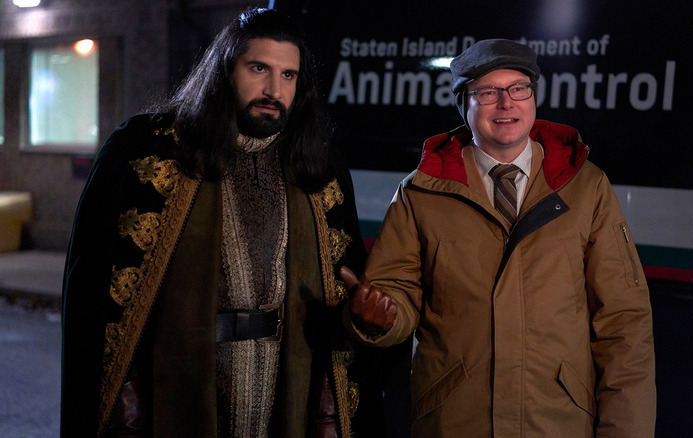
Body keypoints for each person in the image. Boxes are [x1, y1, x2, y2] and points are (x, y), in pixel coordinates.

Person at [61, 8, 387, 438]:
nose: (274, 90)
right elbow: (95, 296)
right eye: (259, 68)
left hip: (284, 386)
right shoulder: (147, 152)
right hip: (180, 385)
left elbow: (341, 298)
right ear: (226, 69)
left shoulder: (319, 168)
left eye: (288, 75)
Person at [340, 39, 656, 437]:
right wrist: (382, 317)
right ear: (464, 105)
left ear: (533, 97)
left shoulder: (585, 186)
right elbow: (395, 292)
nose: (506, 103)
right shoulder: (421, 192)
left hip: (556, 424)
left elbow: (624, 325)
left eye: (518, 88)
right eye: (487, 93)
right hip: (455, 423)